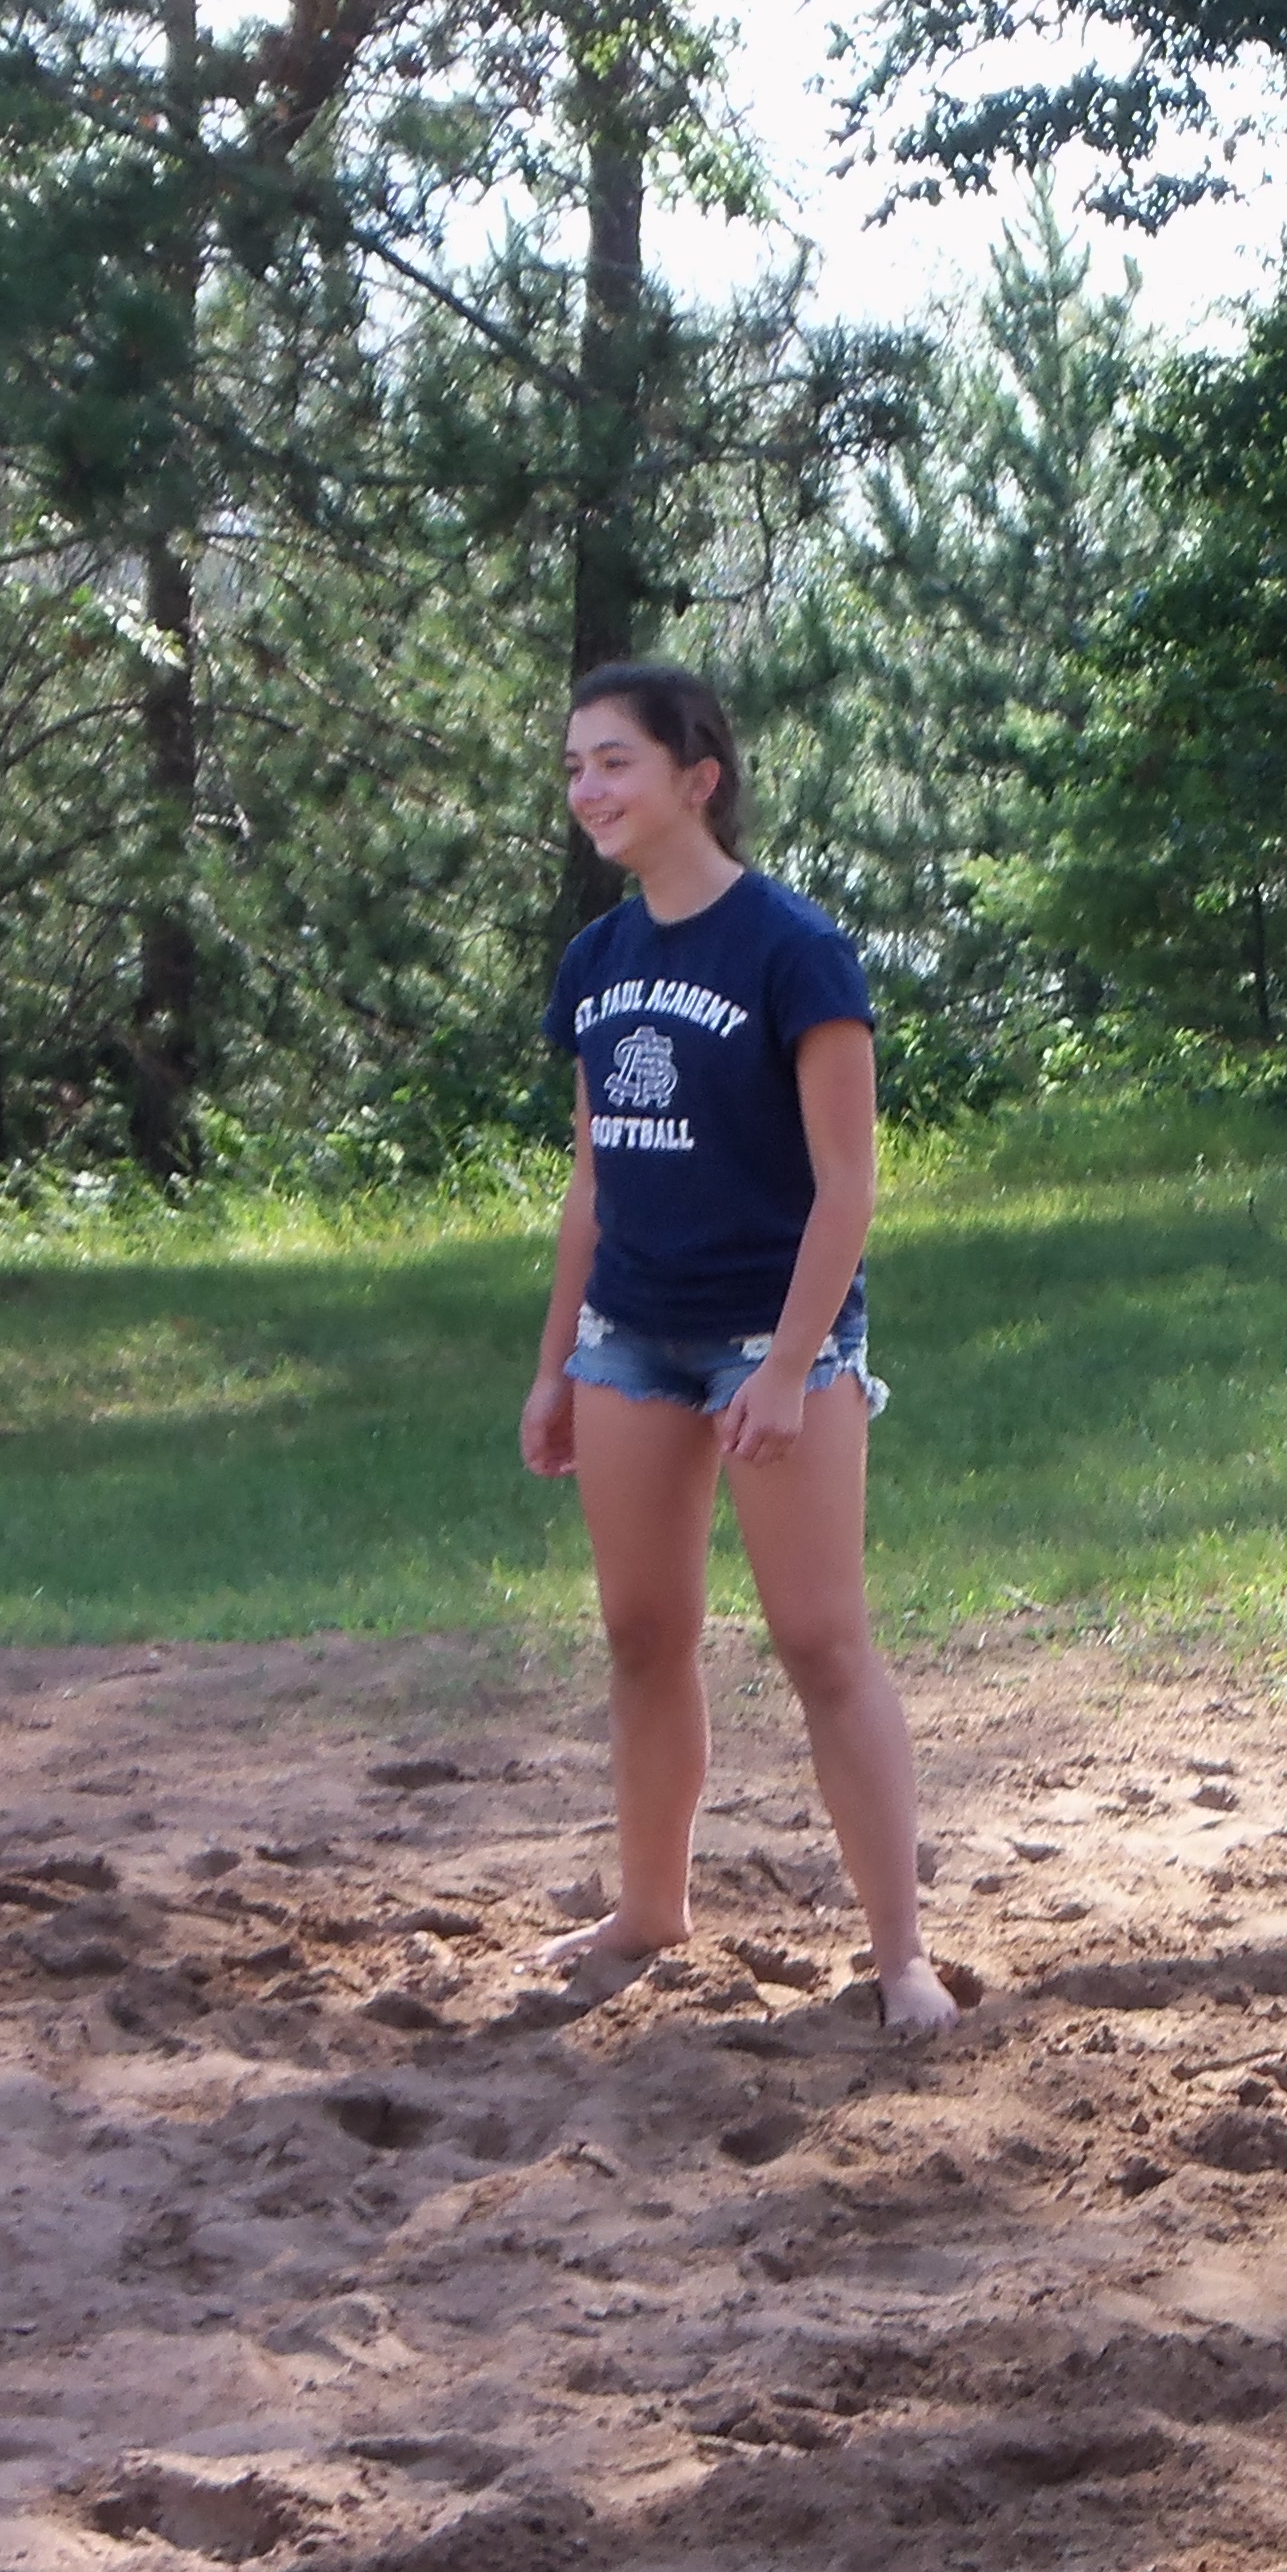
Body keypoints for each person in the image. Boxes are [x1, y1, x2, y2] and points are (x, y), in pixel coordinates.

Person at [516, 662, 956, 2036]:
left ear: (696, 778)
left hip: (782, 1339)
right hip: (632, 1339)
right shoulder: (596, 963)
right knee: (642, 1634)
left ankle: (901, 1956)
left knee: (822, 1642)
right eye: (576, 766)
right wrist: (556, 1363)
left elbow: (849, 1186)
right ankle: (651, 1908)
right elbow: (593, 1183)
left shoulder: (794, 949)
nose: (588, 789)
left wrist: (785, 1367)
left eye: (615, 762)